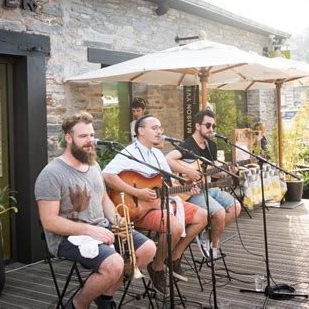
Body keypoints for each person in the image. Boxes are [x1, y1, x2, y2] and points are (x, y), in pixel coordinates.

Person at [35, 112, 156, 309]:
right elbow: (49, 221)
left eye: (91, 135)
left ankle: (105, 295)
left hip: (102, 227)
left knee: (148, 249)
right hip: (67, 238)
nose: (89, 141)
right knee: (115, 263)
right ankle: (77, 304)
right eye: (83, 136)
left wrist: (117, 221)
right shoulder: (51, 174)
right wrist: (91, 230)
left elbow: (103, 198)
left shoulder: (93, 165)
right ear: (68, 138)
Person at [103, 114, 207, 295]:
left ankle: (173, 256)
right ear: (140, 131)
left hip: (161, 202)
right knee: (174, 225)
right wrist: (137, 192)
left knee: (202, 215)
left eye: (160, 128)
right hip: (138, 208)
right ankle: (157, 266)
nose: (159, 132)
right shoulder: (129, 152)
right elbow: (107, 175)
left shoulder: (158, 154)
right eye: (154, 128)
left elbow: (167, 184)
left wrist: (187, 189)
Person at [165, 110, 241, 260]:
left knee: (235, 207)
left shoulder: (211, 145)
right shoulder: (188, 144)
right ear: (198, 126)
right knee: (219, 213)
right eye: (208, 125)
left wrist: (228, 171)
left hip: (208, 187)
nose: (211, 129)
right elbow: (167, 159)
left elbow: (212, 172)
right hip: (191, 191)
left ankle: (207, 235)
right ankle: (213, 244)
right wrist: (189, 172)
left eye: (213, 126)